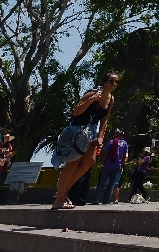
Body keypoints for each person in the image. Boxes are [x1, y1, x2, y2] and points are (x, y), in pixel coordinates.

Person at [51, 72, 118, 210]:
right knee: (73, 163)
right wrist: (91, 101)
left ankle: (64, 192)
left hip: (92, 131)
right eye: (111, 81)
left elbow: (105, 120)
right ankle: (59, 199)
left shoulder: (111, 99)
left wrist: (100, 136)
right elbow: (76, 112)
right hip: (78, 129)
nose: (114, 84)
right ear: (104, 82)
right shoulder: (91, 93)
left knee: (89, 161)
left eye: (116, 82)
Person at [92, 128, 128, 205]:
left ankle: (96, 199)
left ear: (118, 134)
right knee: (111, 184)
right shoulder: (124, 144)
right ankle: (106, 200)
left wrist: (102, 164)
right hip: (117, 166)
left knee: (102, 183)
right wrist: (122, 165)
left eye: (116, 133)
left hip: (108, 165)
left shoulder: (111, 142)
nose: (114, 134)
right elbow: (125, 156)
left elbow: (106, 154)